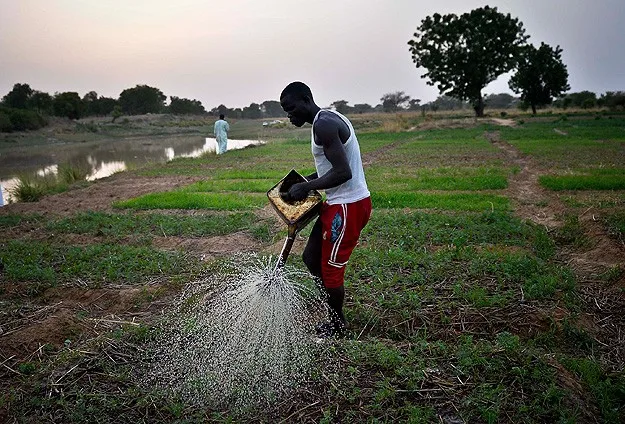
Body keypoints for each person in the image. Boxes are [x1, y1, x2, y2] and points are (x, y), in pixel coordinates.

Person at [280, 81, 372, 338]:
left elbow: (343, 172)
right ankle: (333, 316)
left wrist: (307, 186)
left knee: (330, 271)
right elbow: (331, 168)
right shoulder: (326, 119)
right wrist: (302, 183)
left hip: (348, 206)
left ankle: (338, 325)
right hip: (336, 202)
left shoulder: (324, 125)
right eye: (285, 111)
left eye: (291, 109)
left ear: (306, 100)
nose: (289, 115)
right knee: (311, 258)